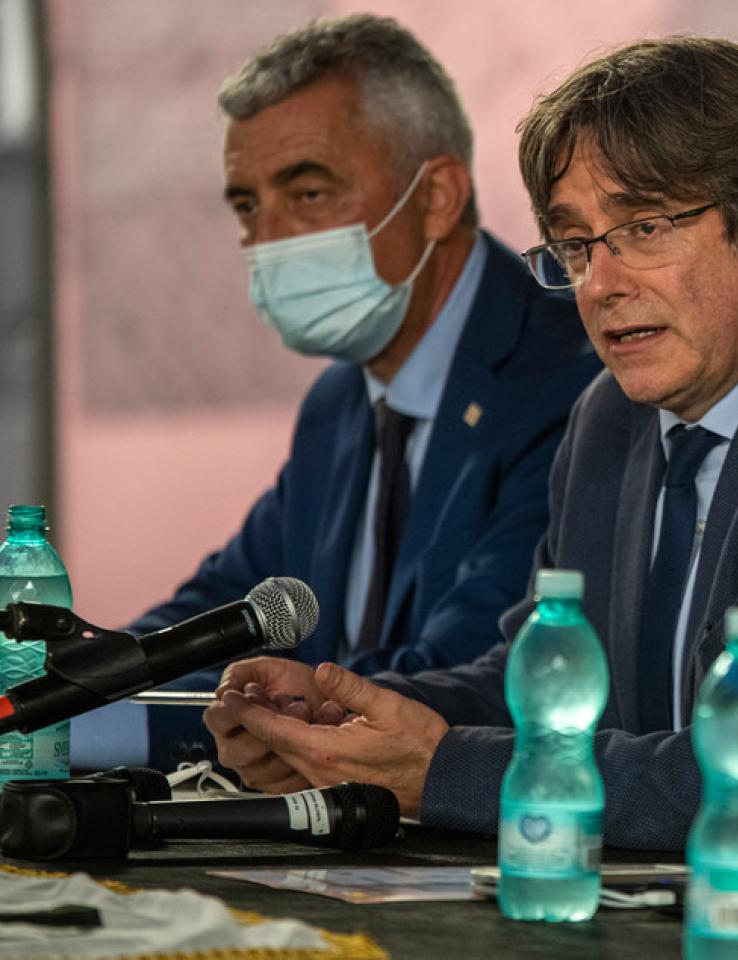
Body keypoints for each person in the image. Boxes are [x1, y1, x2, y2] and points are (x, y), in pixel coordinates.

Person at [202, 36, 738, 850]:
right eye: (576, 244)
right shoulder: (610, 416)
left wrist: (442, 770)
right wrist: (340, 720)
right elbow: (540, 687)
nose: (602, 283)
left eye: (645, 227)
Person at [70, 14, 601, 773]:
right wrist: (64, 685)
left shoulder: (573, 379)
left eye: (308, 191)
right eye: (248, 207)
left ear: (440, 196)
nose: (270, 239)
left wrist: (93, 735)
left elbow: (462, 676)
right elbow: (219, 615)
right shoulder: (340, 402)